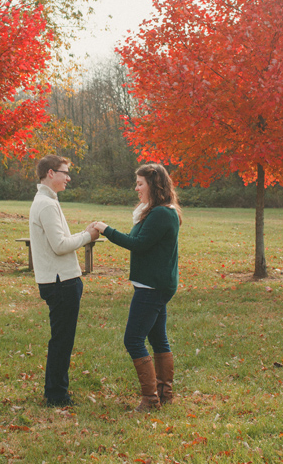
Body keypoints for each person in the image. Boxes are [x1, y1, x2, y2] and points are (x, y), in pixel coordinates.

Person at [93, 163, 181, 411]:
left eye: (140, 183)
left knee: (133, 339)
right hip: (156, 284)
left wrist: (105, 229)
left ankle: (151, 399)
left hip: (152, 286)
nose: (136, 188)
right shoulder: (157, 211)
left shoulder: (161, 214)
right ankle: (164, 394)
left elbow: (138, 244)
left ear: (153, 185)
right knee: (158, 338)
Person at [29, 155, 99, 407]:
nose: (68, 177)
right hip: (60, 283)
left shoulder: (47, 201)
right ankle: (57, 395)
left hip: (60, 280)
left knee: (62, 337)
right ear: (50, 173)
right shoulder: (46, 204)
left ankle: (56, 390)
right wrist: (88, 235)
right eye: (64, 172)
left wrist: (82, 234)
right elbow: (59, 246)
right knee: (62, 339)